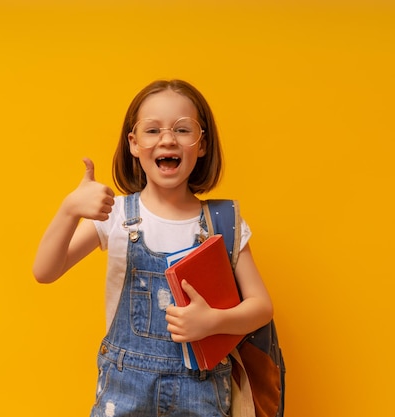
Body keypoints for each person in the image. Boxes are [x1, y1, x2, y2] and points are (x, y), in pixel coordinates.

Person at [33, 79, 273, 416]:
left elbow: (261, 307)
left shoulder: (223, 221)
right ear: (133, 143)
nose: (167, 139)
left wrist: (212, 322)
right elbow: (45, 271)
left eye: (183, 129)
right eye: (152, 130)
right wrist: (69, 210)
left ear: (202, 144)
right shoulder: (115, 215)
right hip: (124, 391)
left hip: (202, 395)